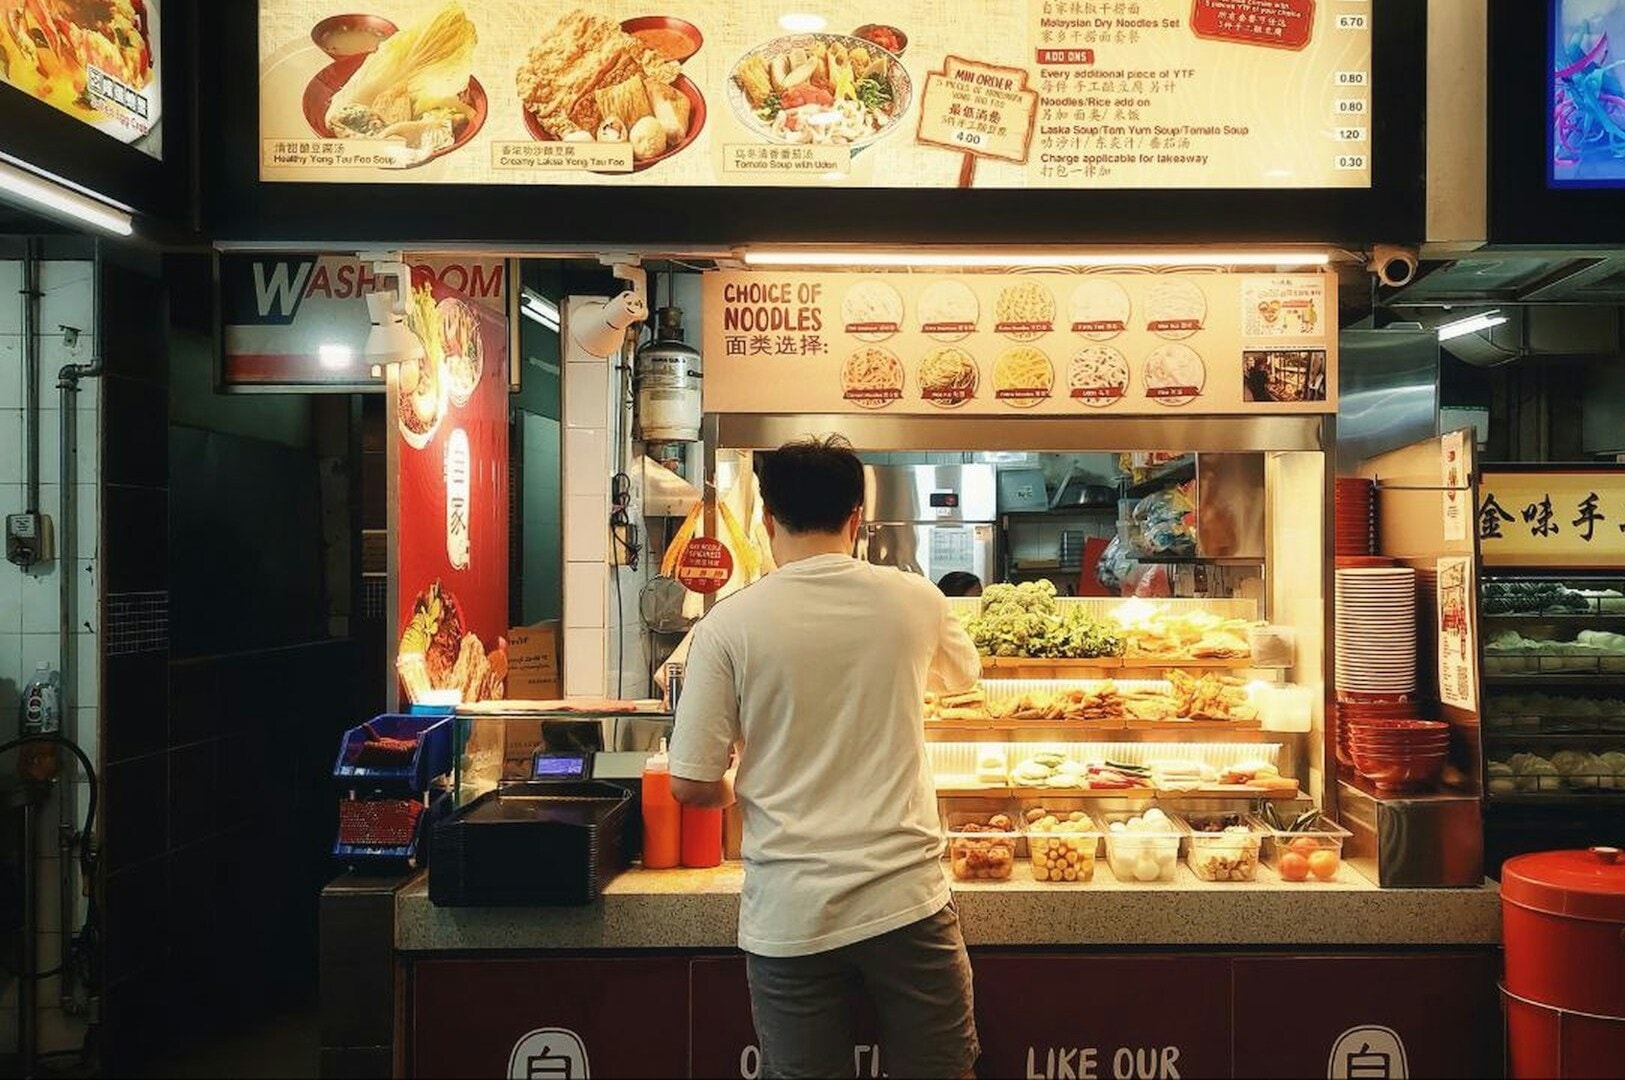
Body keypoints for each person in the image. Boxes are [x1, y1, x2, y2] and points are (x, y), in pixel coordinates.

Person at [668, 436, 982, 1080]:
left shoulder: (728, 626)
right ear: (856, 519)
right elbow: (962, 680)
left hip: (790, 912)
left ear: (766, 520)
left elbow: (692, 784)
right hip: (907, 902)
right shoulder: (917, 600)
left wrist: (739, 778)